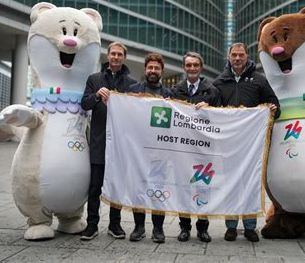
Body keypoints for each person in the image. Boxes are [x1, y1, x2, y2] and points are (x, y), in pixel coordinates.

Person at [213, 42, 280, 243]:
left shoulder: (259, 80)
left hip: (252, 147)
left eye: (241, 55)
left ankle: (250, 227)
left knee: (251, 185)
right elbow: (213, 110)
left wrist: (273, 110)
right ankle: (231, 227)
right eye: (234, 55)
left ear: (247, 56)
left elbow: (276, 105)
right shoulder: (219, 82)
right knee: (230, 185)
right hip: (229, 146)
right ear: (229, 56)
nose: (237, 58)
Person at [80, 42, 137, 240]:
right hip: (99, 141)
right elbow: (84, 103)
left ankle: (115, 224)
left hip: (120, 145)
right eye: (113, 53)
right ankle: (92, 225)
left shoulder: (132, 83)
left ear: (124, 57)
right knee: (95, 186)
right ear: (108, 55)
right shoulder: (94, 79)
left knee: (116, 186)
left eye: (120, 54)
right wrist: (96, 95)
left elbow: (136, 112)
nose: (116, 57)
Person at [170, 52, 220, 243]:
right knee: (183, 188)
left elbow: (222, 117)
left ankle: (202, 228)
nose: (192, 68)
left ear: (201, 67)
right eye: (189, 65)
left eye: (195, 65)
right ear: (184, 67)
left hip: (204, 150)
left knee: (203, 188)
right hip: (183, 149)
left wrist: (210, 109)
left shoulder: (212, 91)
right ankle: (184, 227)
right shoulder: (176, 90)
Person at [127, 52, 173, 243]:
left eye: (156, 68)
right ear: (145, 70)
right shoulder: (132, 91)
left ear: (162, 71)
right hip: (138, 150)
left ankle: (158, 228)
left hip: (160, 152)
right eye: (150, 68)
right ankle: (139, 227)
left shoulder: (169, 95)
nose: (153, 71)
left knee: (158, 191)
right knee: (138, 189)